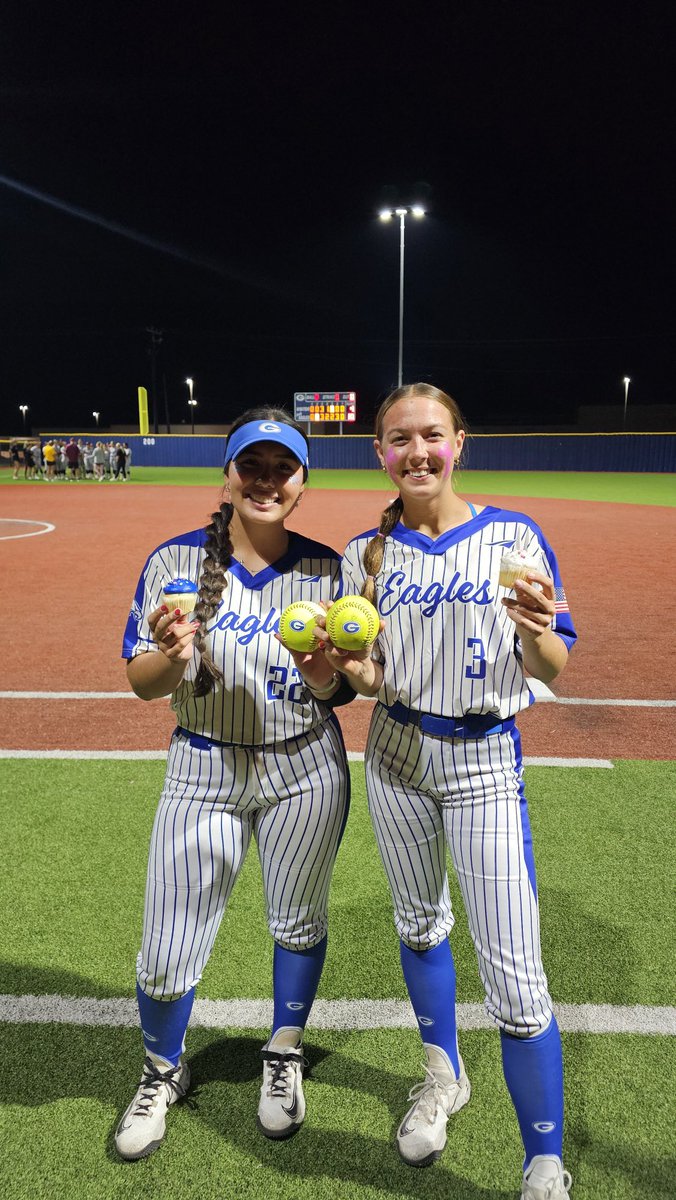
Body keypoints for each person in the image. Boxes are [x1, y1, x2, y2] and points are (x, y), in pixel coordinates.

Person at [320, 383, 576, 1200]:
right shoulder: (368, 550)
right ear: (381, 453)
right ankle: (443, 1075)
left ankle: (542, 1159)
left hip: (482, 761)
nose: (418, 452)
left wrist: (537, 634)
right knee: (420, 925)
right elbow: (369, 679)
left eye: (432, 435)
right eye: (400, 440)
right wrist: (350, 671)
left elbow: (552, 667)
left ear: (459, 442)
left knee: (516, 973)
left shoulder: (512, 536)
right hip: (395, 753)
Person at [116, 407, 353, 1161]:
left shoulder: (326, 569)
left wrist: (326, 676)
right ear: (228, 474)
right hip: (203, 766)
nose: (265, 481)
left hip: (305, 765)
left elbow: (344, 691)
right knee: (165, 942)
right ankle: (161, 1070)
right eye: (251, 466)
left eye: (282, 469)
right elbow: (141, 683)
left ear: (302, 483)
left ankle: (282, 1055)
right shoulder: (173, 562)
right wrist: (172, 656)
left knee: (298, 921)